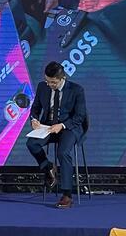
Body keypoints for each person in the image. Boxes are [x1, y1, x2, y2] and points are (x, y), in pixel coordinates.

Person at [26, 61, 87, 209]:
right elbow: (35, 108)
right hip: (48, 126)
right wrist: (34, 119)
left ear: (62, 78)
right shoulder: (42, 87)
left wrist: (62, 125)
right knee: (31, 143)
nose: (50, 85)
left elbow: (80, 116)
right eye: (47, 81)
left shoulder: (76, 90)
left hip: (69, 127)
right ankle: (48, 167)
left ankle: (67, 195)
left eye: (53, 82)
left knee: (63, 152)